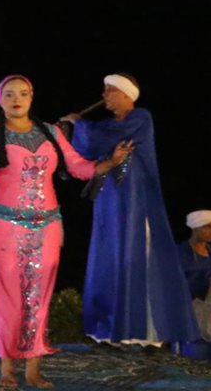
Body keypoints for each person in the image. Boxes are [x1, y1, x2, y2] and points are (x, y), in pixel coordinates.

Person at [0, 75, 131, 388]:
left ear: (31, 97)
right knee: (6, 297)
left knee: (37, 297)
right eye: (9, 94)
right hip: (0, 225)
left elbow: (78, 166)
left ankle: (33, 369)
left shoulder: (51, 133)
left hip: (45, 227)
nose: (17, 100)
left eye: (23, 94)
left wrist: (111, 162)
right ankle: (7, 369)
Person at [63, 74, 198, 346]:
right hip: (109, 202)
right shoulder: (105, 126)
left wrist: (79, 123)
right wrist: (69, 130)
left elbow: (101, 137)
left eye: (110, 91)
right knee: (110, 257)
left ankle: (146, 335)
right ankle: (109, 330)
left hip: (137, 202)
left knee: (137, 258)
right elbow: (86, 148)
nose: (104, 96)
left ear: (127, 95)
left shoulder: (141, 118)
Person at [178, 210, 211, 341]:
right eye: (207, 227)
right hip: (190, 307)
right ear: (195, 227)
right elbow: (184, 279)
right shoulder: (180, 251)